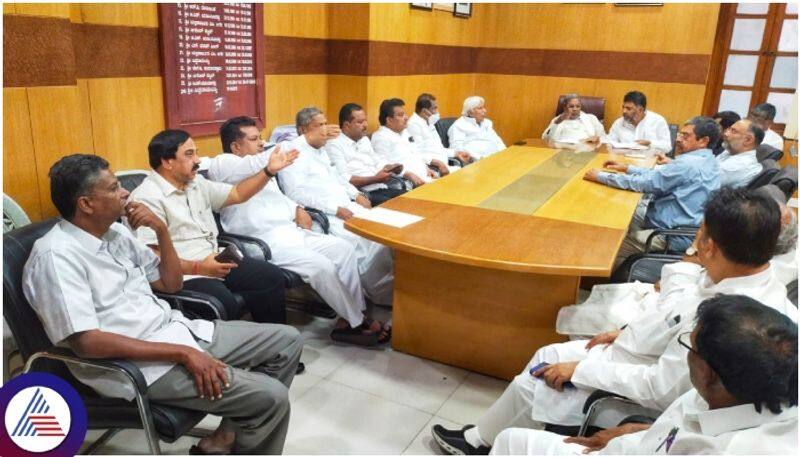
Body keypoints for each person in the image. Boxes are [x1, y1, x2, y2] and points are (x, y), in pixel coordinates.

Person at [431, 187, 796, 455]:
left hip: (642, 387)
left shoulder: (736, 318)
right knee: (549, 352)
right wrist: (624, 332)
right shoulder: (736, 275)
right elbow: (672, 316)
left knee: (537, 378)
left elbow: (661, 387)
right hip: (638, 356)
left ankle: (481, 442)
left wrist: (581, 372)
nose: (695, 245)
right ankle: (483, 436)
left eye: (700, 237)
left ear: (711, 246)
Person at [24, 154, 303, 455]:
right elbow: (87, 343)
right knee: (271, 397)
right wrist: (182, 353)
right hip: (135, 366)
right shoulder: (56, 257)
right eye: (114, 187)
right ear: (86, 204)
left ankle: (227, 438)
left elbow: (170, 284)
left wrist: (161, 230)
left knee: (286, 341)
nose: (125, 193)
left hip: (175, 331)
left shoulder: (116, 232)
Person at [490, 295, 798, 455]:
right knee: (513, 439)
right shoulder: (743, 389)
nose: (685, 353)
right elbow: (688, 424)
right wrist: (642, 433)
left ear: (711, 375)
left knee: (511, 442)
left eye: (688, 346)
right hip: (635, 445)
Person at [204, 116, 390, 346]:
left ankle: (348, 317)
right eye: (254, 139)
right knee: (321, 267)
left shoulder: (263, 170)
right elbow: (254, 165)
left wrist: (297, 208)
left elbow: (278, 198)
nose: (262, 143)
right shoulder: (223, 165)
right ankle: (357, 321)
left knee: (343, 250)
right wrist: (303, 140)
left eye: (261, 137)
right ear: (235, 146)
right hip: (263, 242)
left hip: (291, 232)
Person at [129, 129, 296, 324]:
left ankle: (272, 342)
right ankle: (228, 352)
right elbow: (152, 257)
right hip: (184, 273)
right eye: (189, 154)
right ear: (167, 162)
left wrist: (269, 171)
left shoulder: (195, 183)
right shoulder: (146, 198)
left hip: (215, 258)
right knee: (223, 302)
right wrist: (199, 268)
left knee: (269, 276)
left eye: (196, 152)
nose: (198, 160)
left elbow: (237, 193)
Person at [278, 106, 395, 306]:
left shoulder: (321, 150)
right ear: (305, 130)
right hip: (326, 215)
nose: (326, 130)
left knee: (388, 230)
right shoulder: (292, 152)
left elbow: (338, 178)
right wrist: (336, 209)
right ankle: (376, 292)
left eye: (326, 123)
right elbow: (296, 194)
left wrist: (356, 194)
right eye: (320, 125)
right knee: (367, 241)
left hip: (346, 204)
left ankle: (386, 285)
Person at [584, 116, 720, 266]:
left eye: (686, 136)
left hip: (668, 234)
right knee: (615, 212)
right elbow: (660, 176)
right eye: (680, 134)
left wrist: (602, 176)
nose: (678, 139)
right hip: (673, 223)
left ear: (703, 141)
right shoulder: (708, 160)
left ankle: (600, 279)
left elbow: (647, 184)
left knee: (608, 245)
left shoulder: (689, 163)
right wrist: (628, 168)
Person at [326, 103, 406, 206]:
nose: (365, 125)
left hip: (382, 187)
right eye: (360, 122)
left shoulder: (364, 140)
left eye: (365, 120)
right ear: (347, 125)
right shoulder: (334, 144)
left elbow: (377, 161)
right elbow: (344, 179)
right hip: (364, 194)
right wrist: (375, 178)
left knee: (413, 199)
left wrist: (391, 167)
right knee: (401, 207)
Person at [371, 98, 439, 186]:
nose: (406, 118)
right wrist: (406, 173)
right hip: (407, 183)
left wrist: (426, 168)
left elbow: (415, 153)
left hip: (425, 177)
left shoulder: (404, 132)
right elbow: (383, 166)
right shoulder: (381, 137)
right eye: (401, 115)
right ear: (389, 120)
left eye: (405, 114)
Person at [407, 93, 474, 167]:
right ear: (424, 111)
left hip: (444, 163)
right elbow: (417, 153)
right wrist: (437, 163)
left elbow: (439, 149)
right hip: (431, 167)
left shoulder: (430, 122)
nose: (437, 111)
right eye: (434, 108)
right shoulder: (413, 125)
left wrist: (456, 153)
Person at [607, 91, 672, 152]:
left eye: (628, 108)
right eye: (623, 107)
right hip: (622, 161)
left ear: (640, 110)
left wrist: (650, 143)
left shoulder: (658, 121)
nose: (624, 111)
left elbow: (667, 147)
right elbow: (609, 143)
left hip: (649, 161)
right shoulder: (618, 123)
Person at [716, 118, 764, 188]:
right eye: (729, 129)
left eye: (733, 131)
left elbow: (703, 182)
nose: (726, 134)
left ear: (748, 140)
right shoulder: (731, 151)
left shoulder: (740, 164)